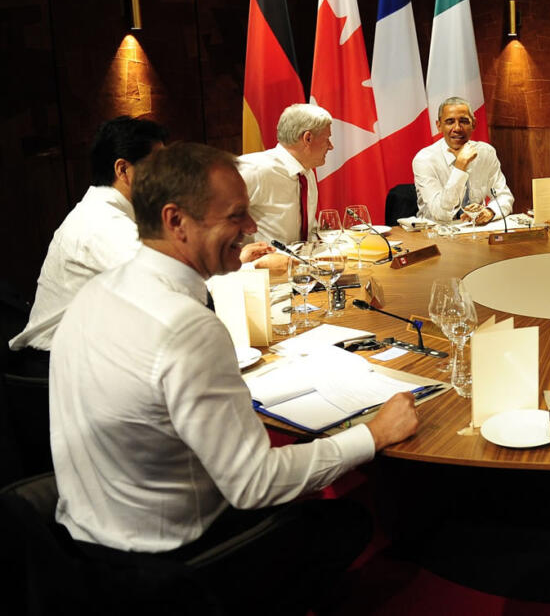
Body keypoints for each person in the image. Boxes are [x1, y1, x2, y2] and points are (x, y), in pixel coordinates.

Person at [49, 142, 420, 612]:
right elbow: (253, 483)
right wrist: (373, 434)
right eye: (236, 216)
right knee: (351, 521)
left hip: (78, 542)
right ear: (175, 221)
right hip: (161, 570)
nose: (250, 228)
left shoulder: (97, 292)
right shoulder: (186, 326)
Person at [9, 117, 168, 369]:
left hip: (82, 355)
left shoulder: (114, 211)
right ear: (123, 170)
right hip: (54, 366)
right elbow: (165, 281)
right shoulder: (101, 220)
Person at [237, 103, 333, 244]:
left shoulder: (306, 173)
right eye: (327, 139)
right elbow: (213, 219)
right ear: (308, 138)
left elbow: (310, 230)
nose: (331, 146)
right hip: (261, 264)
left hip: (300, 263)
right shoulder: (254, 170)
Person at [412, 97, 513, 225]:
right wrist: (460, 167)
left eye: (464, 121)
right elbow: (441, 214)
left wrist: (490, 212)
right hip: (436, 234)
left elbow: (504, 196)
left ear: (474, 124)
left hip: (475, 231)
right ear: (439, 126)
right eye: (450, 122)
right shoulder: (424, 159)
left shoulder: (486, 152)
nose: (457, 128)